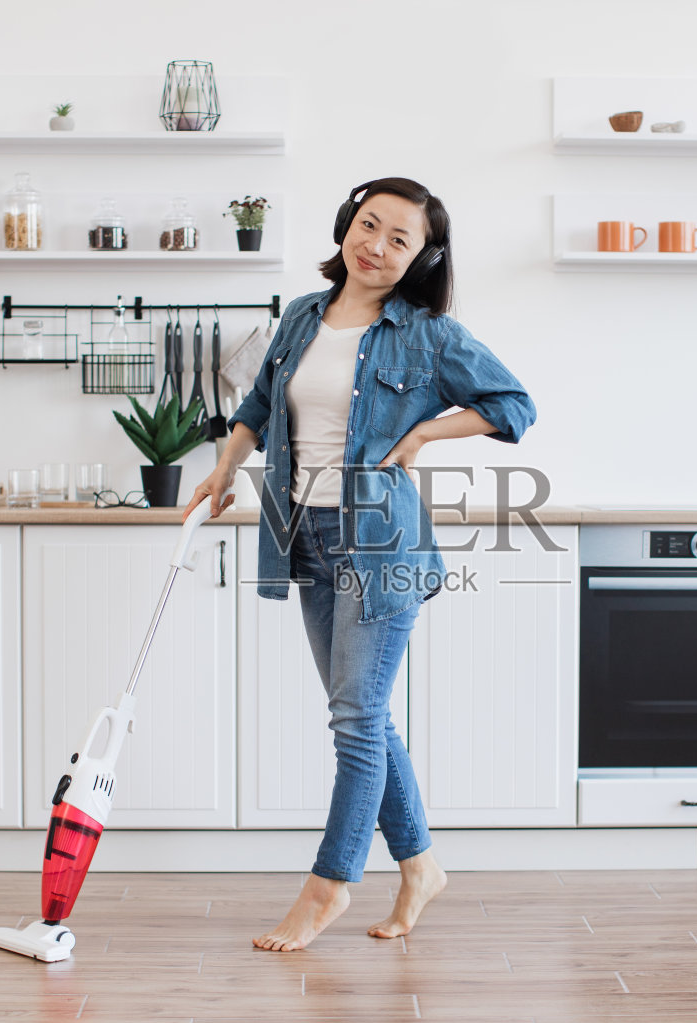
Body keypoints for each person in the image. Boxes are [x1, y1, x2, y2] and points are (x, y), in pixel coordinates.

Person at [186, 177, 537, 951]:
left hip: (380, 542)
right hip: (300, 532)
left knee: (353, 719)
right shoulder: (302, 317)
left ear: (420, 257)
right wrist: (223, 468)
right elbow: (256, 409)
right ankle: (421, 867)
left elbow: (513, 405)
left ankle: (328, 886)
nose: (375, 245)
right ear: (347, 225)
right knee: (364, 717)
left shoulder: (427, 334)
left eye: (398, 238)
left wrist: (420, 438)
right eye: (367, 224)